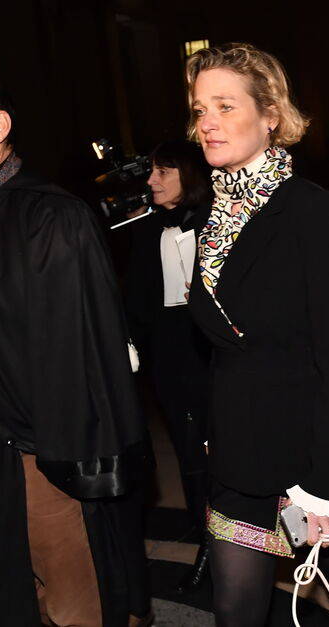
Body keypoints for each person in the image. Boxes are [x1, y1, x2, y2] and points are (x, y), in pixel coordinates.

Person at [0, 72, 152, 626]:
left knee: (75, 608)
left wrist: (87, 465)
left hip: (44, 459)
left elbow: (89, 352)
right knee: (5, 600)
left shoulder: (51, 216)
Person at [184, 43, 329, 627]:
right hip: (238, 450)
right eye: (201, 108)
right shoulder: (211, 214)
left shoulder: (310, 210)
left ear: (270, 114)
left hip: (307, 450)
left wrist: (324, 486)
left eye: (225, 106)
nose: (207, 122)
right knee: (234, 609)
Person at [125, 139, 213, 589]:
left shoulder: (218, 223)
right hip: (170, 358)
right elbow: (138, 305)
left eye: (163, 172)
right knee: (188, 450)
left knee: (226, 449)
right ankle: (208, 541)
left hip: (215, 356)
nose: (151, 180)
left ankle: (239, 544)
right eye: (152, 171)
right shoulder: (144, 230)